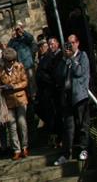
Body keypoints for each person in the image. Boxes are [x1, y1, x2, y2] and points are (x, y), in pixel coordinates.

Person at [54, 35, 91, 166]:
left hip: (80, 95)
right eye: (68, 43)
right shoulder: (65, 59)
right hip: (67, 97)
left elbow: (80, 72)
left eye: (72, 43)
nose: (70, 45)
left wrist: (73, 59)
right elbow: (59, 75)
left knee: (82, 124)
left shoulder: (82, 56)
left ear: (77, 43)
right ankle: (66, 153)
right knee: (68, 127)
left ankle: (83, 149)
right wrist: (64, 59)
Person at [0, 47, 29, 160]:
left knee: (22, 123)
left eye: (12, 61)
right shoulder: (1, 71)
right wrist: (1, 88)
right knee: (11, 126)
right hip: (8, 101)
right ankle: (16, 149)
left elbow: (25, 82)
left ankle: (25, 146)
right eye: (8, 61)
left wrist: (14, 86)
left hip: (20, 99)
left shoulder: (19, 66)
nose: (10, 63)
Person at [35, 38, 60, 137]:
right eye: (40, 47)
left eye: (43, 46)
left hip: (49, 89)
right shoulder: (41, 59)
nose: (42, 49)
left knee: (52, 112)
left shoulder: (50, 57)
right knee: (41, 109)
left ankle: (57, 133)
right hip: (43, 90)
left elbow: (51, 73)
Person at [8, 21, 36, 97]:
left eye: (18, 29)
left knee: (32, 82)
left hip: (28, 64)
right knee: (24, 83)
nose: (17, 31)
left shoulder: (25, 38)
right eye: (16, 30)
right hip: (19, 67)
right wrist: (12, 38)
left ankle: (34, 98)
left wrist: (22, 31)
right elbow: (9, 49)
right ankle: (28, 99)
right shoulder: (14, 41)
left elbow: (31, 38)